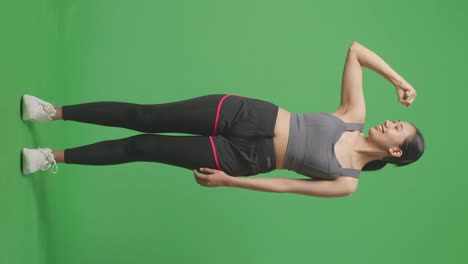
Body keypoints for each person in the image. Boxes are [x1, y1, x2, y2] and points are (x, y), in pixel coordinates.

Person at [20, 42, 424, 198]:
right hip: (247, 113)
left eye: (398, 130)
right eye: (397, 121)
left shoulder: (346, 182)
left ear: (394, 151)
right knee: (144, 114)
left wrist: (230, 181)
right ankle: (51, 111)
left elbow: (286, 185)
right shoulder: (353, 116)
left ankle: (49, 156)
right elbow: (355, 51)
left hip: (243, 158)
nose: (391, 122)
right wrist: (399, 81)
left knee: (144, 146)